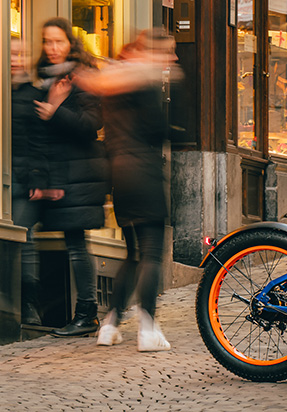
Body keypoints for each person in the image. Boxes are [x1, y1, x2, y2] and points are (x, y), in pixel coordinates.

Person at [74, 28, 182, 351]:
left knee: (132, 254)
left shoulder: (115, 81)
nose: (174, 58)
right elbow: (157, 129)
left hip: (119, 174)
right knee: (151, 253)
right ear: (151, 51)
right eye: (169, 51)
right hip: (144, 173)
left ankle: (109, 325)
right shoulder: (141, 81)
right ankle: (148, 327)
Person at [34, 17, 109, 337]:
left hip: (77, 172)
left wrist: (56, 112)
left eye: (58, 42)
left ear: (70, 44)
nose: (52, 48)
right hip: (56, 173)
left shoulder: (81, 78)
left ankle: (87, 312)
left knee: (77, 244)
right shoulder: (44, 79)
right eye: (47, 42)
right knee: (68, 242)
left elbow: (93, 123)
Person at [11, 37, 49, 325]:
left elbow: (41, 142)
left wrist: (38, 178)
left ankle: (28, 304)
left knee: (24, 238)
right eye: (9, 54)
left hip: (25, 183)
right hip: (0, 181)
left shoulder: (34, 95)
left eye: (20, 54)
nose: (15, 59)